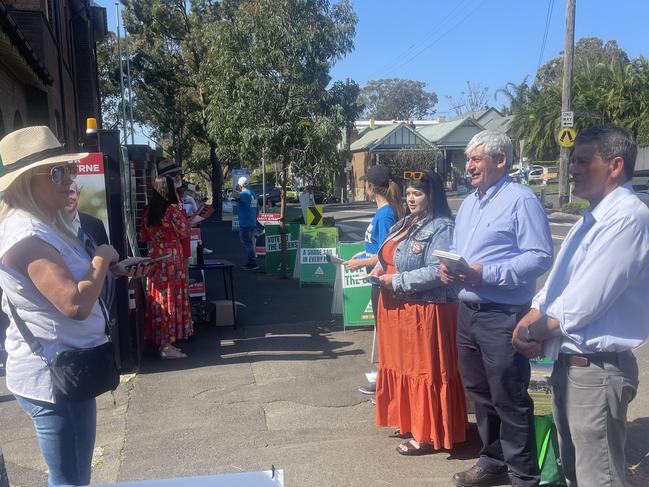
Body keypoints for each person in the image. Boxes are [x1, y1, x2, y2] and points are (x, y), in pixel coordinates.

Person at [0, 126, 148, 486]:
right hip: (55, 378)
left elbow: (73, 284)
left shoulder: (48, 224)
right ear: (24, 183)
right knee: (71, 481)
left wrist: (113, 270)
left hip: (65, 368)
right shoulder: (26, 236)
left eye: (70, 169)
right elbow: (74, 303)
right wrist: (100, 259)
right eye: (56, 172)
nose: (68, 178)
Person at [512, 124, 649, 487]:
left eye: (584, 161)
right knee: (574, 472)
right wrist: (532, 313)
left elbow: (583, 302)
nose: (572, 168)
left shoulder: (627, 218)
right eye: (573, 160)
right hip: (570, 366)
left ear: (616, 165)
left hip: (596, 371)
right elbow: (558, 285)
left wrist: (530, 330)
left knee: (598, 477)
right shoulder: (592, 217)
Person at [440, 130, 553, 487]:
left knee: (509, 394)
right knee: (479, 391)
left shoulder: (521, 200)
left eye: (476, 159)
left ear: (500, 161)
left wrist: (487, 274)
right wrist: (451, 270)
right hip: (468, 313)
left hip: (503, 315)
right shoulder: (470, 202)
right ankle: (493, 459)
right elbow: (464, 254)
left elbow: (539, 257)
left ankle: (523, 476)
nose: (468, 165)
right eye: (468, 159)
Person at [371, 169, 467, 456]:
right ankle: (410, 420)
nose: (411, 198)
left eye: (418, 193)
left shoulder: (442, 227)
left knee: (425, 370)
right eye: (409, 193)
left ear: (432, 195)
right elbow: (388, 254)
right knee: (402, 367)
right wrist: (378, 268)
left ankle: (427, 433)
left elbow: (439, 271)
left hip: (425, 310)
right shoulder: (406, 221)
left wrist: (397, 280)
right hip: (397, 306)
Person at [343, 165, 403, 395]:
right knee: (383, 333)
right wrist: (363, 255)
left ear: (370, 187)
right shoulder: (383, 212)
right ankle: (384, 379)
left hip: (382, 282)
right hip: (377, 280)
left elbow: (387, 253)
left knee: (386, 335)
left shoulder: (386, 213)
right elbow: (377, 249)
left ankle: (385, 382)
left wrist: (361, 263)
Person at [139, 175, 193, 359]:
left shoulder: (148, 211)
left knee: (159, 300)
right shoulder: (171, 210)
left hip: (156, 259)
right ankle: (167, 346)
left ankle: (163, 341)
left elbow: (143, 236)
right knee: (171, 300)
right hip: (172, 260)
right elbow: (185, 230)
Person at [235, 176, 259, 270]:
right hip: (252, 220)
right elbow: (257, 207)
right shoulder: (252, 193)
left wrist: (236, 190)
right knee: (250, 243)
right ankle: (252, 262)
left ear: (240, 185)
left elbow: (235, 197)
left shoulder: (243, 194)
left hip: (245, 222)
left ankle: (252, 263)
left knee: (247, 243)